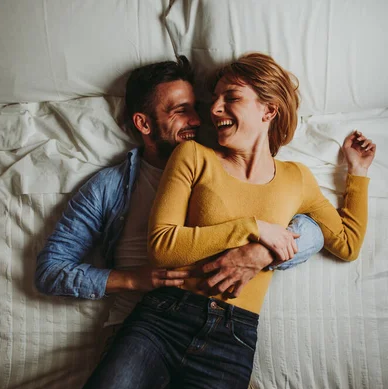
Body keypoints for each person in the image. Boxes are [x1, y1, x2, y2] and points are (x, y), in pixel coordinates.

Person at [83, 53, 376, 389]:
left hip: (232, 341)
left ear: (269, 110)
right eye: (216, 99)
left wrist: (358, 172)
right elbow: (163, 247)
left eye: (231, 98)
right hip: (162, 321)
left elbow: (349, 244)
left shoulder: (298, 179)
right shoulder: (193, 156)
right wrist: (253, 228)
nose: (215, 109)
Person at [35, 56, 324, 369]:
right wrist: (131, 280)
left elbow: (312, 227)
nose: (199, 120)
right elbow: (51, 270)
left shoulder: (225, 168)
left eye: (195, 109)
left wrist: (262, 252)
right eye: (180, 111)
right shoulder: (109, 187)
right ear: (143, 123)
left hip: (218, 333)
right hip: (137, 326)